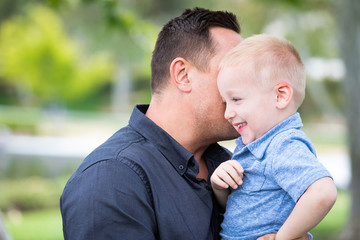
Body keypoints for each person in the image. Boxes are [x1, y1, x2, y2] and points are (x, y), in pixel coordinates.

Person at [60, 7, 247, 240]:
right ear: (183, 75)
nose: (250, 88)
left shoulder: (234, 165)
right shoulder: (112, 180)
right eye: (235, 73)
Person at [210, 34, 337, 240]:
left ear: (280, 96)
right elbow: (246, 210)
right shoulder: (257, 146)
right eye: (225, 102)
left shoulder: (282, 144)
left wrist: (282, 237)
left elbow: (323, 193)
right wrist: (220, 188)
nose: (227, 113)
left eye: (236, 99)